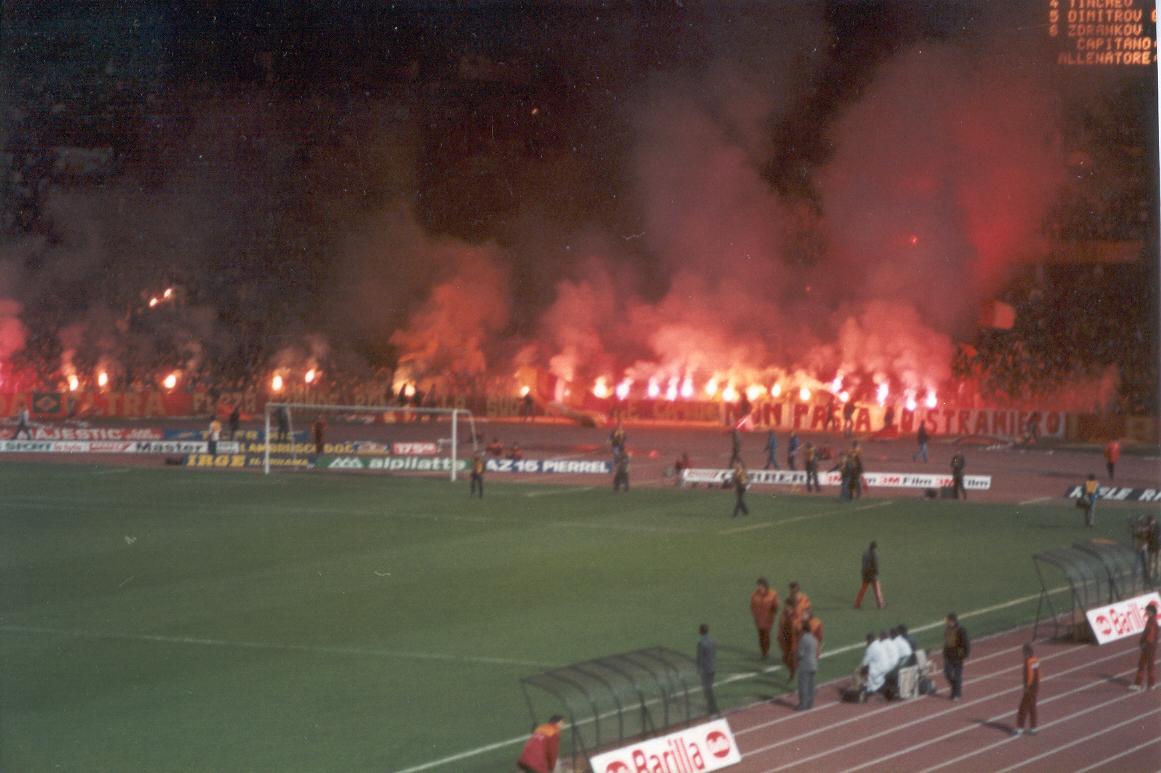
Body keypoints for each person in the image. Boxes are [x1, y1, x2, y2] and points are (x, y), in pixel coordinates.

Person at [778, 581, 811, 679]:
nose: (791, 593)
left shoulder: (804, 600)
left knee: (793, 652)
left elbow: (808, 613)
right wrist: (781, 633)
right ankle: (793, 667)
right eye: (790, 591)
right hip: (787, 630)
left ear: (797, 591)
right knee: (785, 655)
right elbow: (784, 615)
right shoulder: (788, 600)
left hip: (798, 630)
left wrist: (804, 625)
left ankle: (794, 671)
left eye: (793, 591)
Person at [1012, 643, 1040, 736]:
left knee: (1023, 708)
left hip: (1030, 687)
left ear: (1026, 652)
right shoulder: (1035, 660)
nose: (1023, 654)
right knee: (1032, 707)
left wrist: (1027, 686)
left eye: (1023, 652)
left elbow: (1030, 675)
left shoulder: (1028, 661)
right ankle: (1033, 728)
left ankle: (1020, 728)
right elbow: (1038, 674)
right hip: (1036, 686)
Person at [1129, 602, 1157, 691]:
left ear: (1151, 612)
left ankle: (1139, 684)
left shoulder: (1152, 622)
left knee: (1144, 664)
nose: (1146, 613)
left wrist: (1144, 643)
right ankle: (1150, 684)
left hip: (1149, 647)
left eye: (1147, 611)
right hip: (1150, 646)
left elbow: (1150, 635)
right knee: (1148, 664)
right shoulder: (1151, 621)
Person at [749, 577, 780, 659]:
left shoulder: (772, 594)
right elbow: (752, 606)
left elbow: (776, 606)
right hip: (758, 619)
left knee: (766, 635)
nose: (759, 587)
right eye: (758, 585)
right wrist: (755, 615)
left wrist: (772, 614)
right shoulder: (754, 595)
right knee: (760, 635)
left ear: (765, 586)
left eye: (760, 586)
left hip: (768, 618)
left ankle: (766, 652)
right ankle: (763, 651)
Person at [942, 612, 970, 700]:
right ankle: (955, 688)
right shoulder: (947, 629)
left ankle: (957, 694)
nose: (946, 622)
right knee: (947, 673)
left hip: (957, 655)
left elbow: (965, 643)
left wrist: (962, 655)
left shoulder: (961, 630)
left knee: (957, 675)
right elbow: (946, 642)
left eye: (948, 621)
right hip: (949, 655)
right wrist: (945, 653)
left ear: (952, 621)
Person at [796, 619, 819, 711]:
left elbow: (800, 654)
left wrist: (795, 655)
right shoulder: (814, 639)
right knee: (811, 685)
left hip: (805, 665)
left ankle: (803, 704)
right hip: (814, 664)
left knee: (803, 685)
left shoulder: (803, 639)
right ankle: (810, 703)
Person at [854, 541, 885, 609]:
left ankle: (857, 604)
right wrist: (877, 572)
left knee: (862, 590)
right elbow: (876, 565)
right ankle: (880, 604)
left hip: (865, 575)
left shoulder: (865, 553)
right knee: (877, 590)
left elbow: (863, 564)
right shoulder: (875, 554)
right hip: (873, 575)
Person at [696, 623, 719, 715]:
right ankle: (712, 707)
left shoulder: (701, 643)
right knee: (710, 688)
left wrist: (698, 669)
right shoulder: (712, 641)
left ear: (701, 631)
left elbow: (700, 657)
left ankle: (711, 708)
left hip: (705, 669)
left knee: (707, 689)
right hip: (712, 667)